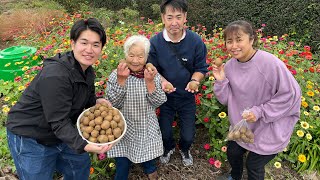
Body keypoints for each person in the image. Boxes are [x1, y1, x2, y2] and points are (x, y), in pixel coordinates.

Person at [6, 18, 113, 180]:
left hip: (62, 133)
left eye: (96, 45)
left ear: (101, 48)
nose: (89, 50)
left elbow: (86, 95)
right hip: (31, 137)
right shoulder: (56, 75)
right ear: (73, 44)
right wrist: (86, 145)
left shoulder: (87, 70)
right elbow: (57, 120)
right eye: (84, 43)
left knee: (79, 169)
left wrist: (96, 101)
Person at [213, 20, 301, 180]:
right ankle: (235, 176)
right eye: (229, 41)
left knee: (254, 165)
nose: (233, 46)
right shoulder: (230, 67)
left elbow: (290, 94)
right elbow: (225, 99)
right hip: (245, 126)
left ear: (252, 39)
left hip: (270, 126)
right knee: (233, 151)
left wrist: (260, 111)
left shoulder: (270, 64)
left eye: (239, 40)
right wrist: (220, 81)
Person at [147, 0, 208, 167]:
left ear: (185, 17)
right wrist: (163, 81)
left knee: (188, 135)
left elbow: (201, 67)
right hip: (165, 97)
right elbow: (152, 68)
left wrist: (195, 80)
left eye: (178, 17)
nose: (174, 22)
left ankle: (185, 149)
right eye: (170, 17)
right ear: (163, 18)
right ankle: (168, 148)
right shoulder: (155, 42)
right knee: (165, 132)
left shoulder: (195, 41)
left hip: (187, 96)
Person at [105, 35, 167, 180]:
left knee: (147, 153)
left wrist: (150, 83)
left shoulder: (152, 75)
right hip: (123, 125)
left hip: (146, 124)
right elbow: (112, 103)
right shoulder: (116, 75)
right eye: (131, 55)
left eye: (140, 56)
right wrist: (121, 80)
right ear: (125, 55)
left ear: (146, 57)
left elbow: (158, 102)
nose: (135, 60)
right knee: (122, 159)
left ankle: (150, 169)